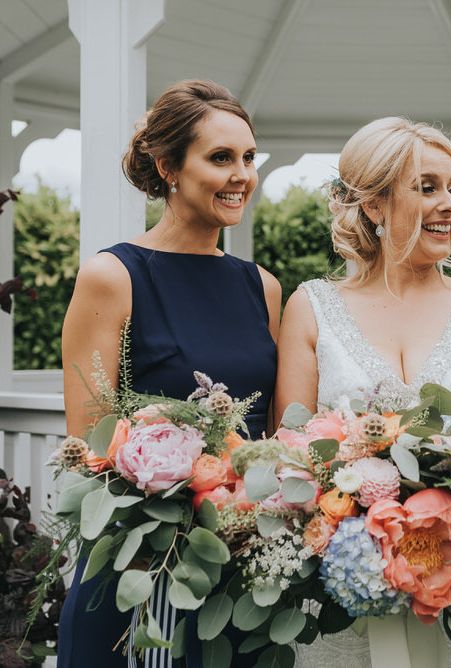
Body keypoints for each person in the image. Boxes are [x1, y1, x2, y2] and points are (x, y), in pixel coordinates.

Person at [275, 116, 451, 667]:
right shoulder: (310, 306)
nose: (449, 204)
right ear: (373, 205)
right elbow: (290, 456)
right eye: (427, 187)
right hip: (345, 589)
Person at [58, 80, 279, 668]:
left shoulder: (262, 287)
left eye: (249, 158)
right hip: (137, 565)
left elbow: (274, 438)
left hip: (239, 576)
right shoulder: (112, 275)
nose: (242, 175)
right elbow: (90, 446)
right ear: (168, 167)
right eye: (221, 158)